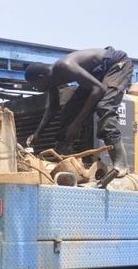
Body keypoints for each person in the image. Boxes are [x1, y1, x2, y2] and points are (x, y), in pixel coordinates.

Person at [25, 47, 134, 176]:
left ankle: (120, 164)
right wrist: (38, 133)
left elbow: (98, 90)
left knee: (104, 106)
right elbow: (53, 107)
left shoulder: (64, 66)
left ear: (40, 78)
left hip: (116, 65)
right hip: (96, 74)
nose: (35, 88)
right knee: (68, 110)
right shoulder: (51, 81)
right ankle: (63, 156)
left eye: (34, 85)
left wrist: (77, 123)